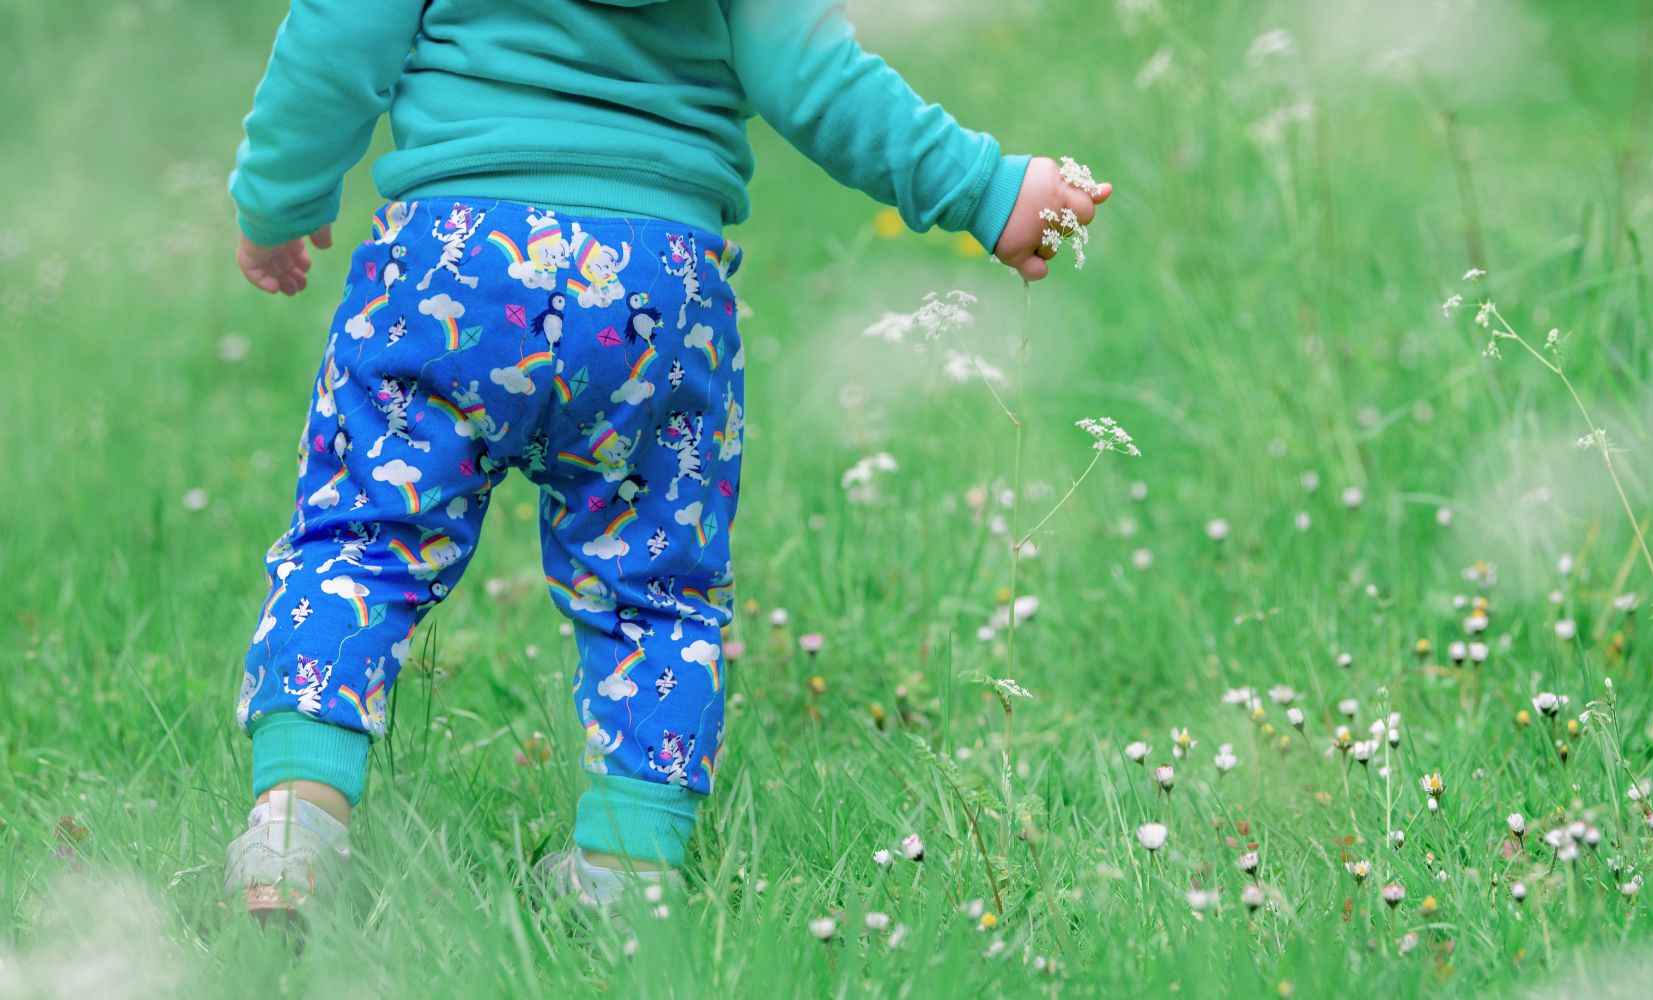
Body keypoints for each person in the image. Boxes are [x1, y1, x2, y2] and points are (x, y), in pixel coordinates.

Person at [222, 0, 1112, 921]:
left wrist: (276, 201)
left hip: (452, 268)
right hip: (656, 290)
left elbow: (335, 39)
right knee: (656, 589)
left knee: (361, 543)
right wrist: (988, 190)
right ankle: (625, 879)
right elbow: (815, 79)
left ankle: (295, 831)